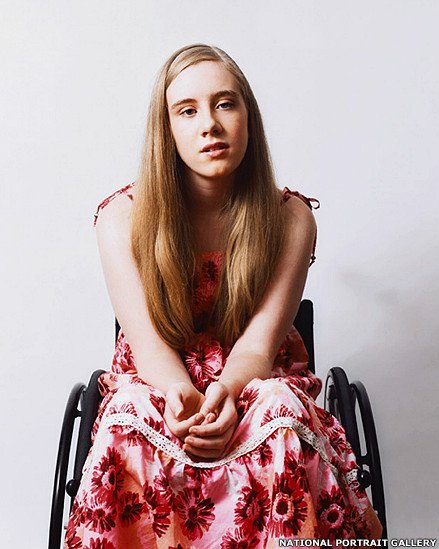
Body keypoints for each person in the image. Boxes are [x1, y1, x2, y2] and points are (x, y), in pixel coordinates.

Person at [65, 43, 382, 548]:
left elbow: (258, 346)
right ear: (167, 130)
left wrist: (229, 393)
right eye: (187, 111)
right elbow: (146, 344)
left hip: (256, 374)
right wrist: (181, 395)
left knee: (280, 409)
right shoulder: (121, 217)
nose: (209, 125)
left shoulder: (290, 218)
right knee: (128, 411)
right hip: (158, 374)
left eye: (225, 104)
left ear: (248, 118)